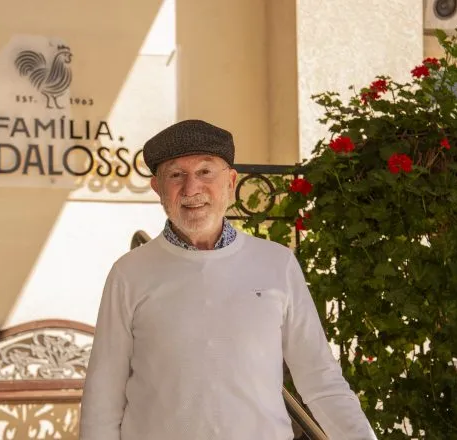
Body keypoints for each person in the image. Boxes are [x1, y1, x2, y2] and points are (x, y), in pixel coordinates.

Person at [79, 119, 377, 440]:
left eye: (206, 172)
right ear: (158, 188)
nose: (192, 188)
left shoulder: (276, 264)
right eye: (176, 175)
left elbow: (321, 380)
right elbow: (103, 396)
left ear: (231, 181)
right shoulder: (129, 272)